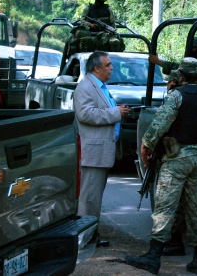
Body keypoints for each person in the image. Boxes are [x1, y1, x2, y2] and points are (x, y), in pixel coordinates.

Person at [124, 57, 197, 276]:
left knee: (165, 206)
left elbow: (159, 125)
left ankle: (153, 257)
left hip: (177, 159)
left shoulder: (176, 97)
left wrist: (146, 147)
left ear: (180, 75)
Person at [73, 50, 130, 247]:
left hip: (102, 149)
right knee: (89, 197)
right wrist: (116, 112)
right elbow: (85, 114)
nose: (112, 68)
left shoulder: (101, 86)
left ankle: (91, 235)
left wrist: (118, 111)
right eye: (108, 65)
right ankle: (84, 238)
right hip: (93, 151)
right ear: (96, 68)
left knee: (94, 197)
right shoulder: (85, 86)